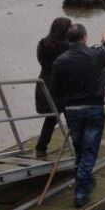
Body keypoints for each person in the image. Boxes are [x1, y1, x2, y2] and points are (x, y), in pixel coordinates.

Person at [52, 24, 105, 208]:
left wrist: (65, 105)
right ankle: (80, 192)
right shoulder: (96, 54)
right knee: (89, 151)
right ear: (85, 37)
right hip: (94, 108)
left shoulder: (60, 61)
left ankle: (85, 180)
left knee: (79, 149)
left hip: (72, 110)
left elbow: (56, 89)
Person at [35, 17, 71, 158]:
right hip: (61, 84)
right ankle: (77, 145)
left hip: (45, 82)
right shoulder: (67, 46)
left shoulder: (43, 43)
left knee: (51, 118)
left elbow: (41, 62)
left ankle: (41, 147)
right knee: (70, 115)